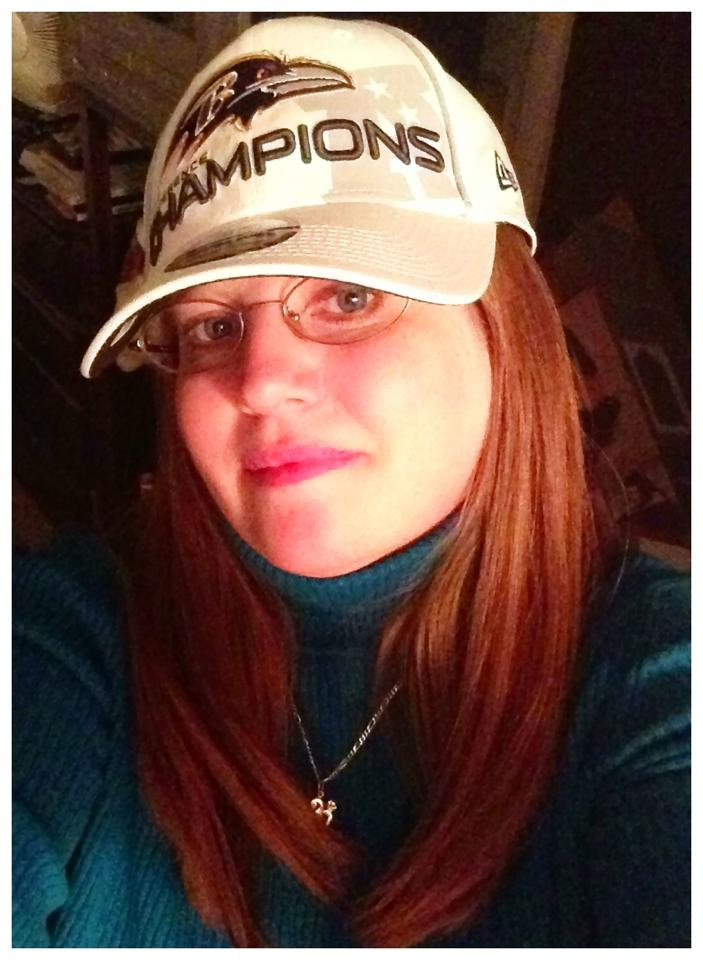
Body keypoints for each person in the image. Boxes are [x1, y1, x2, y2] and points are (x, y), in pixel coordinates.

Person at [12, 15, 690, 948]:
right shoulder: (73, 636)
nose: (258, 380)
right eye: (212, 325)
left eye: (349, 296)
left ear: (505, 333)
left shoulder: (654, 682)